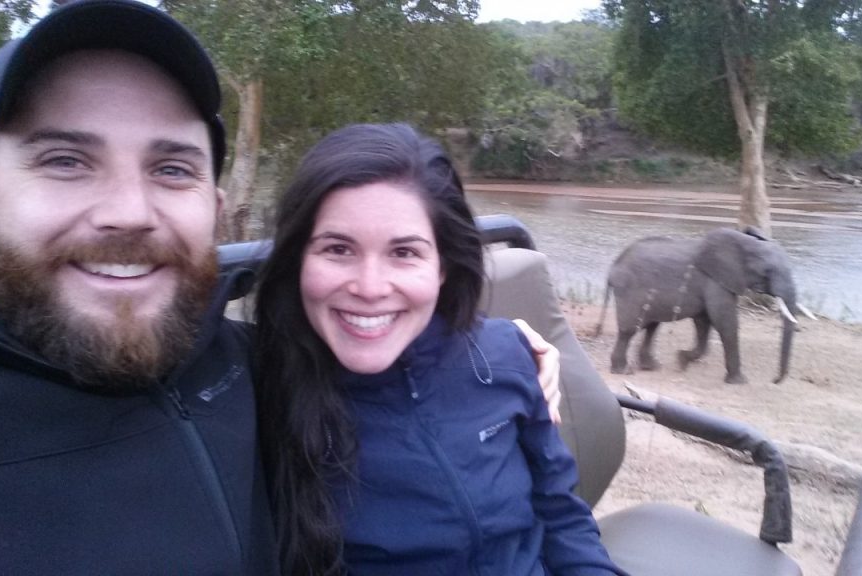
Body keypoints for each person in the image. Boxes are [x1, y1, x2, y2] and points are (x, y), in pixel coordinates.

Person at [0, 2, 560, 573]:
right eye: (65, 159)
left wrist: (507, 344)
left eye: (170, 169)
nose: (128, 212)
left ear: (215, 210)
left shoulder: (253, 361)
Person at [254, 123, 625, 576]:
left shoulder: (504, 353)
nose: (370, 288)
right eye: (338, 248)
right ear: (298, 260)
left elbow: (562, 514)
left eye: (404, 253)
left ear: (443, 267)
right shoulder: (255, 390)